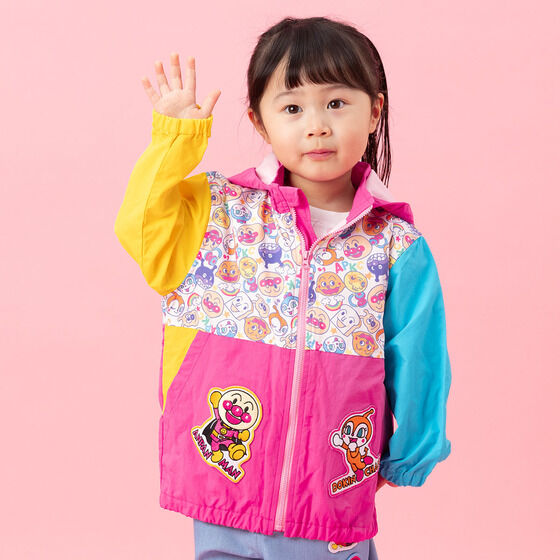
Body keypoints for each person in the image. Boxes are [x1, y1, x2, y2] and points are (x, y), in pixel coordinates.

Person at [115, 16, 451, 560]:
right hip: (222, 484)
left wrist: (410, 451)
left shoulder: (395, 245)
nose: (316, 126)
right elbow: (142, 229)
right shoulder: (219, 212)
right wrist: (175, 142)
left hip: (329, 497)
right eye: (292, 108)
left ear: (374, 112)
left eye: (336, 103)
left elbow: (419, 357)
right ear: (260, 121)